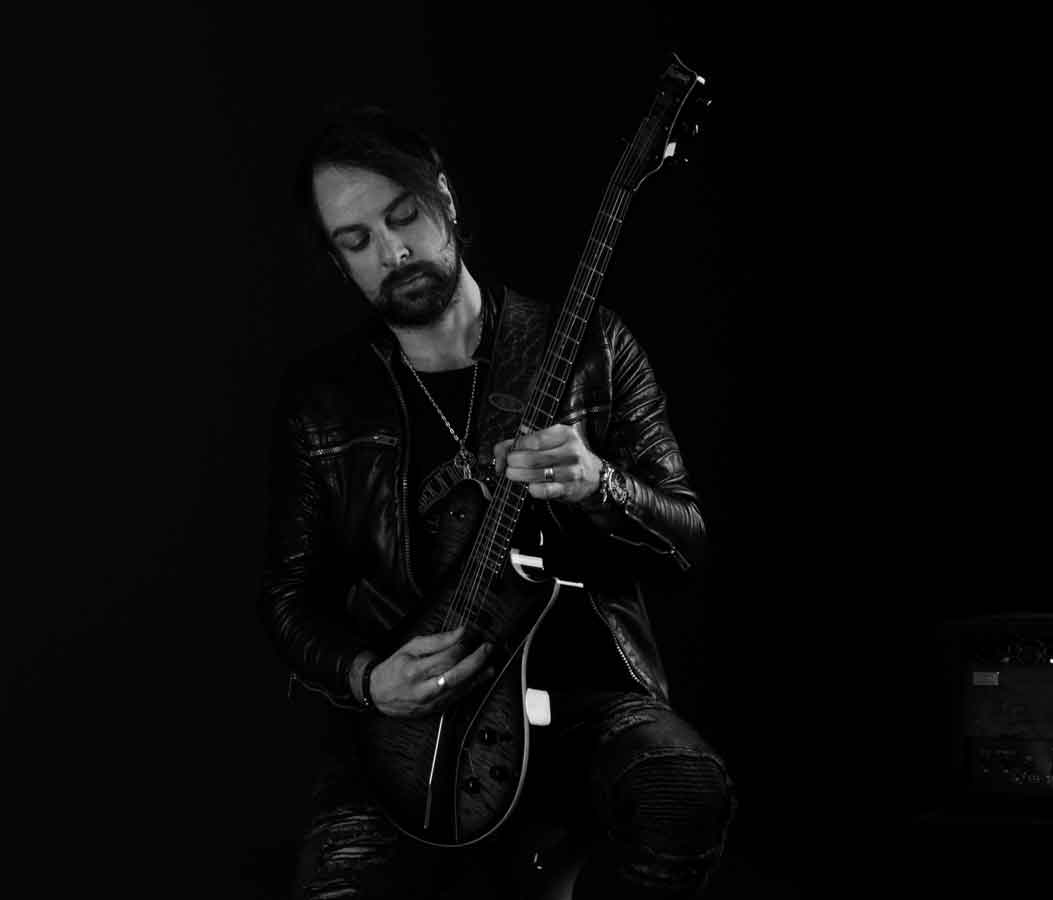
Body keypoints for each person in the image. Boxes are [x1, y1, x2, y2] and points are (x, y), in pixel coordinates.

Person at [258, 105, 734, 898]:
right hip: (413, 729)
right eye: (358, 240)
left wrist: (600, 482)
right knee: (339, 881)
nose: (393, 249)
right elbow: (285, 599)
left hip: (582, 703)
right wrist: (366, 675)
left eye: (403, 215)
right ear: (339, 263)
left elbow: (689, 542)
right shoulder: (324, 403)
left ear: (443, 196)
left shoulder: (592, 347)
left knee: (682, 789)